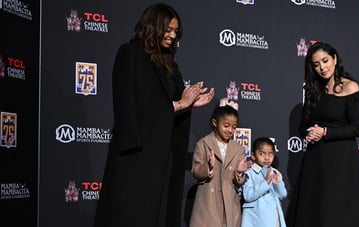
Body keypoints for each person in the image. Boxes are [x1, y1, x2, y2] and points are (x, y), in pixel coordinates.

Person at [94, 3, 214, 227]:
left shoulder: (168, 64)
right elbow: (132, 106)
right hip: (136, 156)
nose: (172, 36)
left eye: (176, 31)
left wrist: (190, 105)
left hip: (162, 155)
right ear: (153, 26)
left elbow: (170, 105)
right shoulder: (130, 54)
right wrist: (180, 104)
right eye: (167, 29)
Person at [286, 42, 359, 227]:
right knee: (315, 214)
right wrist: (309, 133)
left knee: (338, 214)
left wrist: (325, 132)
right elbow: (303, 126)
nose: (322, 68)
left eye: (325, 61)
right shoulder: (312, 90)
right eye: (316, 64)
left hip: (342, 161)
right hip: (316, 161)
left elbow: (358, 128)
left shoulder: (351, 87)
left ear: (334, 59)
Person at [190, 104, 251, 227]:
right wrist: (208, 167)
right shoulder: (203, 144)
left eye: (234, 127)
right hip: (208, 203)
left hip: (230, 204)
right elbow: (196, 171)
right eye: (226, 125)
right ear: (215, 122)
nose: (230, 130)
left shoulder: (238, 149)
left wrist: (239, 172)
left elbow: (239, 182)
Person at [241, 137, 288, 227]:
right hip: (256, 219)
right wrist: (265, 182)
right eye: (262, 154)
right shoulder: (248, 172)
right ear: (253, 155)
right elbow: (248, 195)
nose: (267, 158)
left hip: (274, 218)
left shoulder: (274, 172)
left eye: (270, 154)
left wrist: (277, 183)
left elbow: (282, 195)